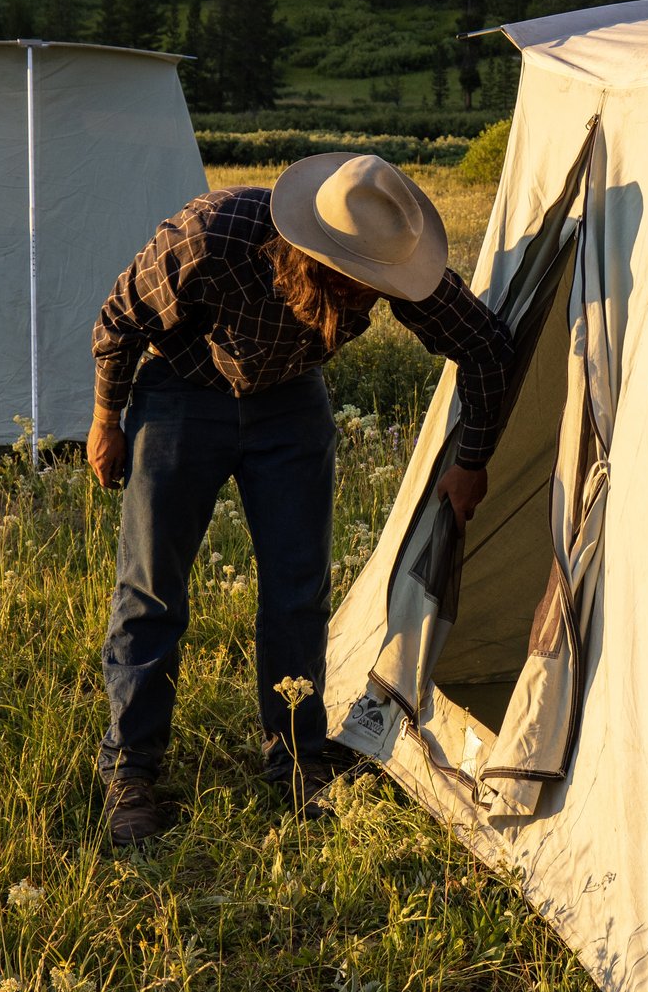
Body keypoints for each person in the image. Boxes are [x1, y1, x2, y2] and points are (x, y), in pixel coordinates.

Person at [87, 152, 514, 845]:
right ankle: (131, 769)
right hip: (181, 393)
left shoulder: (384, 252)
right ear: (315, 255)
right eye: (358, 287)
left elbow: (487, 347)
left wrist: (473, 460)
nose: (374, 300)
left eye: (381, 285)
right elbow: (119, 320)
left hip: (289, 402)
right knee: (152, 589)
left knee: (297, 588)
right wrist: (107, 421)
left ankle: (293, 756)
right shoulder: (211, 234)